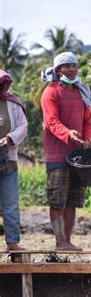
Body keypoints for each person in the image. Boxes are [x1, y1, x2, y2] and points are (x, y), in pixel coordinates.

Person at [41, 52, 91, 251]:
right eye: (66, 66)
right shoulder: (51, 92)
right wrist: (67, 133)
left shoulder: (81, 91)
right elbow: (52, 122)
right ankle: (59, 242)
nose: (71, 70)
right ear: (58, 70)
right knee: (57, 201)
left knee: (72, 200)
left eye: (74, 66)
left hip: (77, 155)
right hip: (57, 155)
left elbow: (86, 120)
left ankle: (68, 241)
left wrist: (86, 137)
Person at [0, 70, 28, 251]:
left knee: (10, 203)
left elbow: (23, 126)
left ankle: (12, 242)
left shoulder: (13, 103)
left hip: (7, 160)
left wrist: (9, 138)